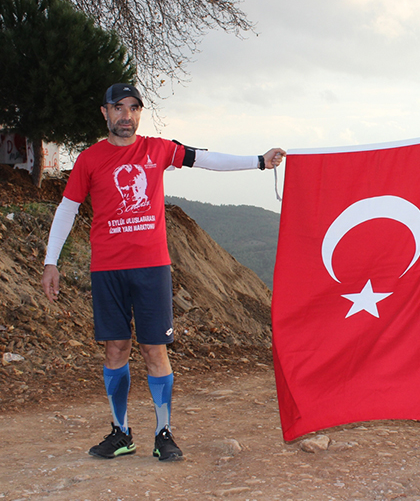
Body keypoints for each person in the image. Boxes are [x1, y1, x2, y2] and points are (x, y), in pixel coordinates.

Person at [41, 83, 285, 462]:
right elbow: (67, 208)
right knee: (115, 348)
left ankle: (163, 432)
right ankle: (121, 432)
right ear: (104, 113)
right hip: (108, 269)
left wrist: (257, 161)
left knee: (155, 349)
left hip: (152, 268)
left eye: (134, 108)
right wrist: (50, 261)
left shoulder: (158, 149)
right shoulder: (90, 159)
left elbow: (205, 158)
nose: (127, 115)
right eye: (118, 107)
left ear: (140, 113)